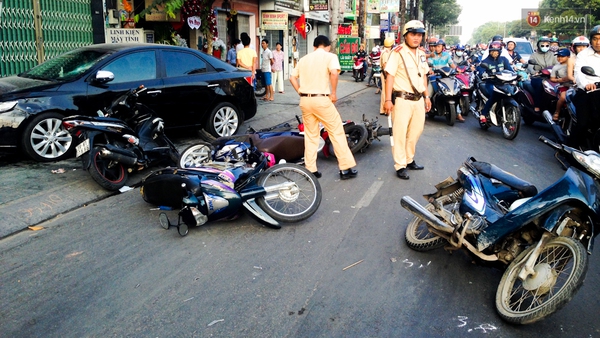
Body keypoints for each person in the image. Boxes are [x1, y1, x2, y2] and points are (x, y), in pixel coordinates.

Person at [289, 35, 358, 180]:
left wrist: (300, 91)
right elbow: (334, 73)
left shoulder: (304, 59)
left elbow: (292, 77)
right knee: (337, 132)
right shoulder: (330, 56)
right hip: (321, 100)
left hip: (305, 101)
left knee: (311, 136)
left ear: (314, 46)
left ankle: (311, 170)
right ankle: (345, 168)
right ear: (327, 46)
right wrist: (333, 92)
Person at [383, 20, 431, 180]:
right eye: (413, 34)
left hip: (418, 100)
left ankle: (409, 159)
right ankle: (400, 164)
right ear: (405, 35)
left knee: (416, 131)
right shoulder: (397, 52)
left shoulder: (422, 54)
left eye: (419, 35)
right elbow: (390, 76)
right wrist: (388, 100)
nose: (417, 38)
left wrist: (426, 96)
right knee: (400, 133)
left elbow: (423, 76)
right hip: (402, 99)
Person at [571, 25, 600, 149]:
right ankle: (570, 150)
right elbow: (578, 73)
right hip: (587, 92)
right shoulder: (583, 55)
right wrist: (587, 84)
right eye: (595, 38)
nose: (598, 42)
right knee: (583, 124)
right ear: (591, 39)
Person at [477, 41, 513, 124]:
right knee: (494, 94)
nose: (495, 53)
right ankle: (484, 114)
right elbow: (481, 70)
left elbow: (510, 70)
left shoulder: (504, 60)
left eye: (497, 51)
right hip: (491, 83)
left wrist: (516, 75)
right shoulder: (485, 61)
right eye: (493, 51)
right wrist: (484, 74)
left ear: (500, 52)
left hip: (504, 83)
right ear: (489, 51)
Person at [524, 37, 557, 112]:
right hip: (538, 77)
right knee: (540, 86)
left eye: (547, 45)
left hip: (551, 77)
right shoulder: (534, 55)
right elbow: (530, 67)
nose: (545, 47)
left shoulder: (553, 55)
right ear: (539, 45)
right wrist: (534, 72)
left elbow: (557, 65)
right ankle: (537, 105)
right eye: (543, 45)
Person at [550, 48, 574, 121]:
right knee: (563, 97)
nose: (559, 58)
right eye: (558, 56)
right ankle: (557, 112)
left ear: (568, 57)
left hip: (575, 86)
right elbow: (552, 79)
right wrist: (560, 80)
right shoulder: (556, 67)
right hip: (564, 86)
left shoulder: (574, 64)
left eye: (562, 56)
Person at [379, 37, 394, 115]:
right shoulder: (386, 53)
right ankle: (384, 110)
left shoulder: (386, 51)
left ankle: (384, 109)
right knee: (385, 92)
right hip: (385, 74)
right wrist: (386, 76)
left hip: (386, 74)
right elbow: (385, 65)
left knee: (385, 92)